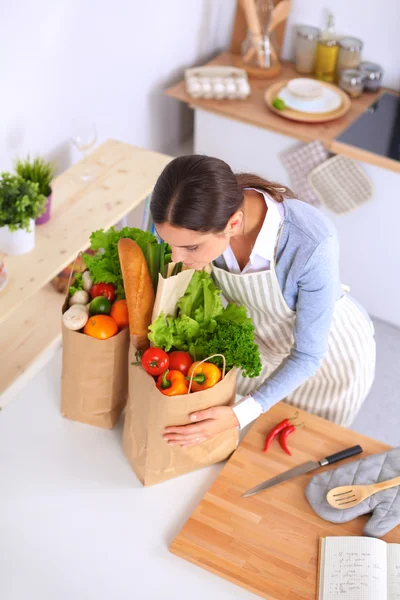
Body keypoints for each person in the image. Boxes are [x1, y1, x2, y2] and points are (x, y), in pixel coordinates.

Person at [150, 155, 376, 448]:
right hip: (263, 350)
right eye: (171, 244)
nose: (178, 258)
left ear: (234, 223)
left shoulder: (310, 241)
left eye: (190, 248)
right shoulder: (209, 215)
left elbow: (308, 356)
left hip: (328, 361)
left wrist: (237, 414)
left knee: (301, 450)